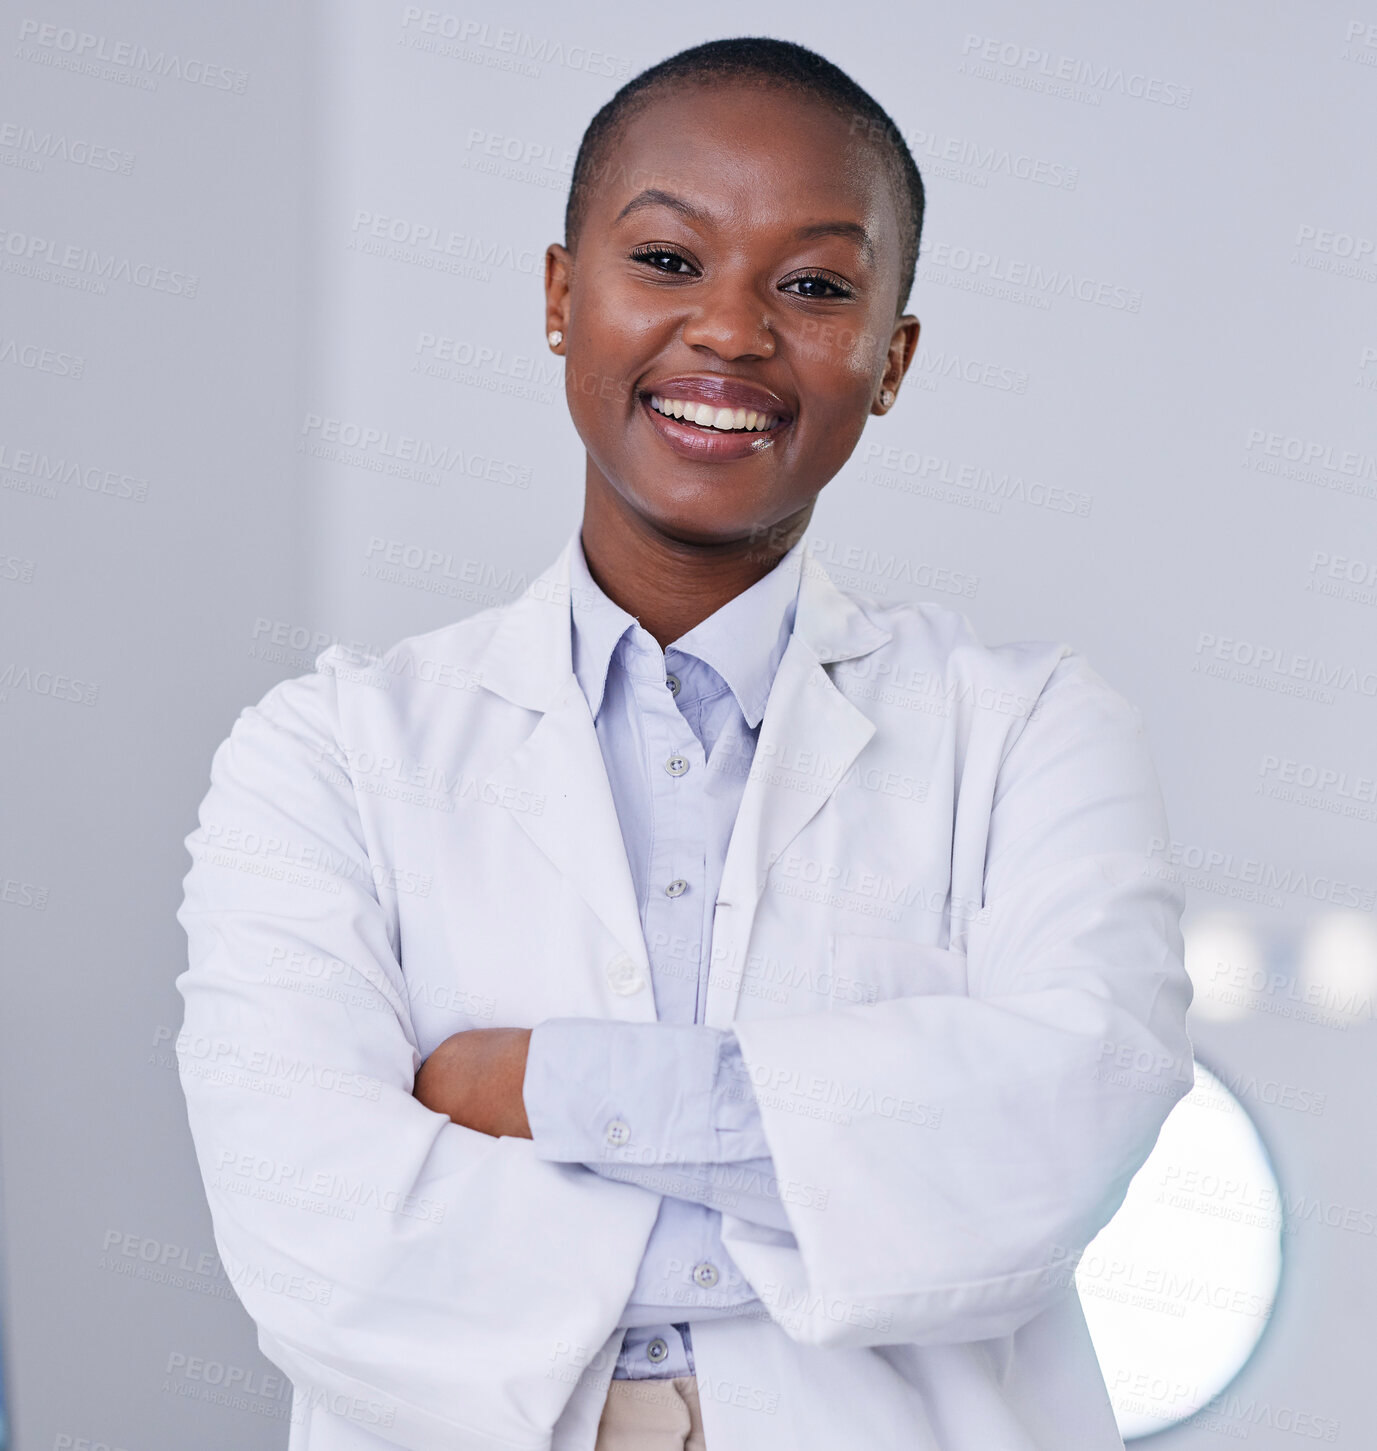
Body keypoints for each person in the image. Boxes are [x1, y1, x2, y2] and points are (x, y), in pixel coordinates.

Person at [175, 36, 1194, 1451]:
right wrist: (841, 1197)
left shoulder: (1028, 732)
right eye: (665, 260)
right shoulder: (327, 754)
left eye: (815, 286)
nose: (729, 330)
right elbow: (315, 1230)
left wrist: (544, 1087)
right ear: (557, 295)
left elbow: (1062, 1132)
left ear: (891, 359)